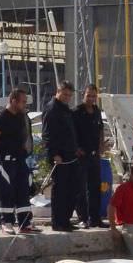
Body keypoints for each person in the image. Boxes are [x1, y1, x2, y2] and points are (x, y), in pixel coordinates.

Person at [0, 87, 32, 232]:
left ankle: (25, 222)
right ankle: (7, 222)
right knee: (6, 191)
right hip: (5, 160)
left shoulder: (21, 116)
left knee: (23, 188)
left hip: (19, 159)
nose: (25, 105)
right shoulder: (1, 118)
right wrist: (4, 151)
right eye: (23, 102)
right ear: (13, 101)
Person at [42, 82, 80, 232]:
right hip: (59, 157)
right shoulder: (51, 109)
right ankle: (58, 222)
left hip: (71, 156)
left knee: (72, 189)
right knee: (60, 191)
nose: (67, 98)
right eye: (64, 94)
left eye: (70, 95)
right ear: (58, 92)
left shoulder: (66, 110)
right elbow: (47, 135)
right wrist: (54, 154)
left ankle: (66, 219)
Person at [74, 85, 108, 228]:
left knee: (95, 187)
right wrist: (76, 148)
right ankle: (83, 218)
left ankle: (95, 218)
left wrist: (101, 145)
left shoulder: (97, 111)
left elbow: (100, 129)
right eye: (89, 96)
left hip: (94, 155)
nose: (91, 99)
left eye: (94, 96)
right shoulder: (76, 112)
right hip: (81, 156)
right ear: (84, 95)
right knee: (81, 188)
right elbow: (71, 132)